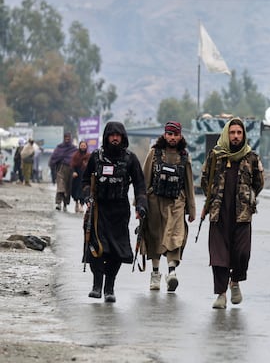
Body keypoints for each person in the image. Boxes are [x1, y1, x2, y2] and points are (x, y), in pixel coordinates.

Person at [200, 118, 264, 309]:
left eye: (239, 133)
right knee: (218, 256)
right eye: (232, 132)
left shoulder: (251, 157)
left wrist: (247, 198)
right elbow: (205, 180)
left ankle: (235, 281)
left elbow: (259, 182)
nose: (236, 136)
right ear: (227, 134)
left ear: (243, 135)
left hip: (242, 214)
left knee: (242, 253)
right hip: (219, 213)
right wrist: (213, 200)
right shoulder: (216, 155)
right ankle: (221, 294)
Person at [81, 122, 147, 303]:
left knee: (116, 251)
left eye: (118, 135)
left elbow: (140, 186)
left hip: (120, 211)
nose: (115, 138)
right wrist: (87, 196)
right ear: (106, 137)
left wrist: (141, 206)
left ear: (123, 137)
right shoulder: (96, 157)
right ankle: (97, 285)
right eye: (112, 135)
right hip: (98, 210)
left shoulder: (130, 159)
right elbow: (85, 180)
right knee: (96, 248)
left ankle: (109, 287)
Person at [142, 121, 196, 292]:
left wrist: (192, 210)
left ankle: (171, 273)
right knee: (155, 236)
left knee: (175, 236)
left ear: (180, 136)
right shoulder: (154, 153)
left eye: (176, 134)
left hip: (177, 203)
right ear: (165, 135)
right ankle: (155, 274)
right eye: (170, 134)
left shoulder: (185, 157)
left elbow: (189, 184)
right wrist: (140, 205)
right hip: (154, 201)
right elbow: (145, 179)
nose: (172, 138)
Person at [49, 132, 77, 211]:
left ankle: (65, 204)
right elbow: (54, 157)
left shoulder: (74, 149)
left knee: (68, 188)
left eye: (68, 137)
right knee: (60, 187)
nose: (67, 138)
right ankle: (58, 203)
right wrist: (52, 165)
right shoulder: (60, 147)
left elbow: (76, 159)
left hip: (70, 169)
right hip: (61, 168)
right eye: (65, 137)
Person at [71, 141, 91, 213]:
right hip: (77, 175)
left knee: (84, 190)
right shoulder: (76, 155)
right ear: (79, 146)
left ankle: (81, 205)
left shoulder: (89, 156)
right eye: (81, 145)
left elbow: (91, 165)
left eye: (84, 145)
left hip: (85, 176)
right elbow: (73, 164)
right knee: (75, 191)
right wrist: (74, 172)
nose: (83, 147)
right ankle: (76, 203)